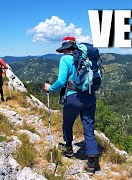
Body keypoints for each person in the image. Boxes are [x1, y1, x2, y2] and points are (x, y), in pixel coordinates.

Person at [44, 36, 99, 174]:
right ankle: (91, 163)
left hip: (73, 97)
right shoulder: (87, 58)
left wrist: (50, 88)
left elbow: (62, 81)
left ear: (65, 48)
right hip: (90, 96)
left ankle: (68, 148)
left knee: (68, 123)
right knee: (88, 127)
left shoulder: (65, 59)